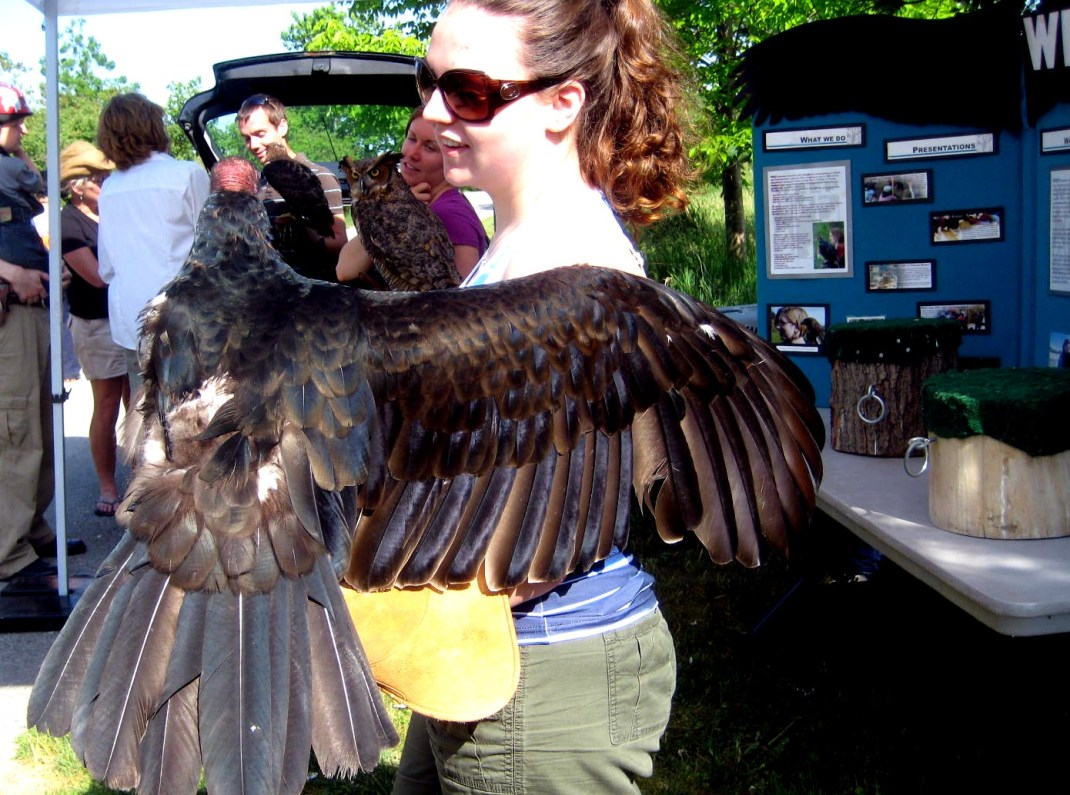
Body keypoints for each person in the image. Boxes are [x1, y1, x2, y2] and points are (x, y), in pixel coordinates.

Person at [390, 1, 696, 792]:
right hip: (481, 644)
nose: (431, 111)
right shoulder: (523, 243)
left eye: (469, 91)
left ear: (564, 102)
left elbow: (533, 541)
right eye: (428, 82)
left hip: (537, 666)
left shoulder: (569, 264)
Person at [0, 81, 80, 579]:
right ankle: (8, 551)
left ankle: (30, 530)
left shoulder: (11, 174)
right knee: (17, 428)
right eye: (15, 120)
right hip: (12, 314)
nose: (24, 128)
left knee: (41, 426)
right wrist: (12, 274)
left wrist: (49, 268)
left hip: (35, 310)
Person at [96, 92, 210, 393]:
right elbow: (211, 249)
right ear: (153, 127)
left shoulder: (109, 188)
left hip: (130, 323)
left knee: (143, 417)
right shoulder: (186, 174)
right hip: (184, 321)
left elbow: (106, 269)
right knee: (191, 415)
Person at [336, 104, 489, 283]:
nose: (413, 153)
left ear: (453, 155)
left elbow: (458, 299)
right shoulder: (414, 204)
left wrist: (402, 210)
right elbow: (344, 268)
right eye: (411, 138)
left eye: (430, 147)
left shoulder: (450, 214)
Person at [58, 141, 130, 518]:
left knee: (138, 404)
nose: (106, 181)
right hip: (95, 325)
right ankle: (108, 484)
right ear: (76, 185)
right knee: (106, 404)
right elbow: (98, 276)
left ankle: (142, 480)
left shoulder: (112, 213)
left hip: (126, 317)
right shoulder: (69, 223)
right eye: (98, 177)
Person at [236, 94, 347, 281]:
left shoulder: (321, 177)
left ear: (282, 127)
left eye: (260, 134)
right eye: (247, 138)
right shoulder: (255, 185)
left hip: (311, 291)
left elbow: (340, 243)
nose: (253, 145)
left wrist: (305, 234)